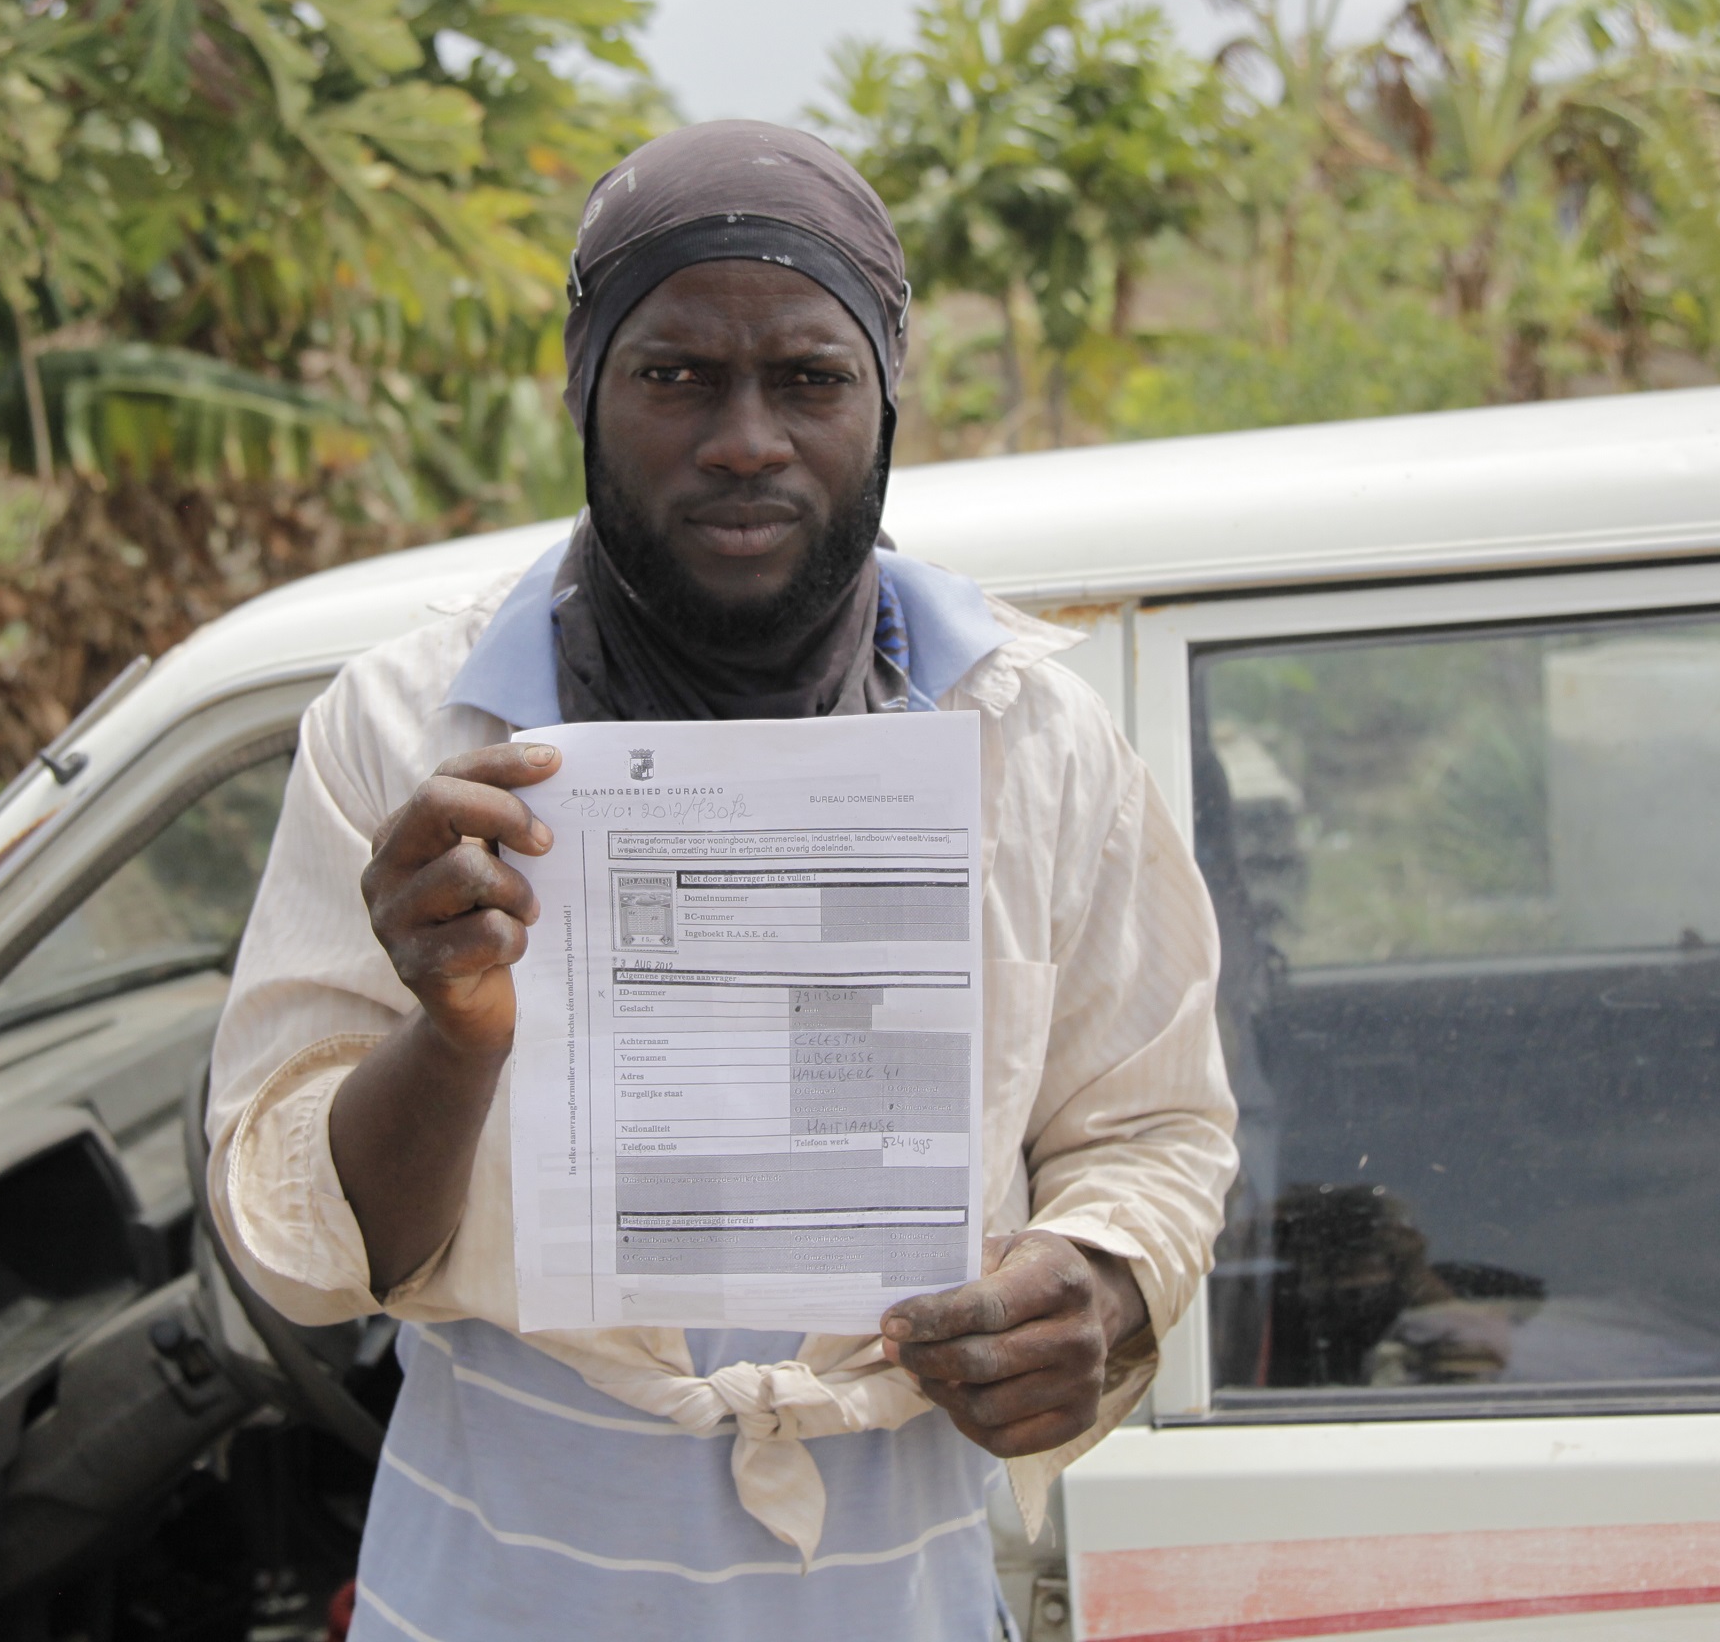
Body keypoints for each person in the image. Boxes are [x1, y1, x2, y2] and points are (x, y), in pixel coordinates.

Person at [204, 121, 1237, 1639]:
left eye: (808, 379)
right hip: (502, 1581)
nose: (745, 437)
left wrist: (1100, 1280)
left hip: (896, 1589)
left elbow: (1151, 1128)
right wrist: (454, 1035)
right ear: (585, 394)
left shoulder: (1028, 736)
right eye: (676, 374)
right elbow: (298, 1253)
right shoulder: (410, 731)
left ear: (886, 401)